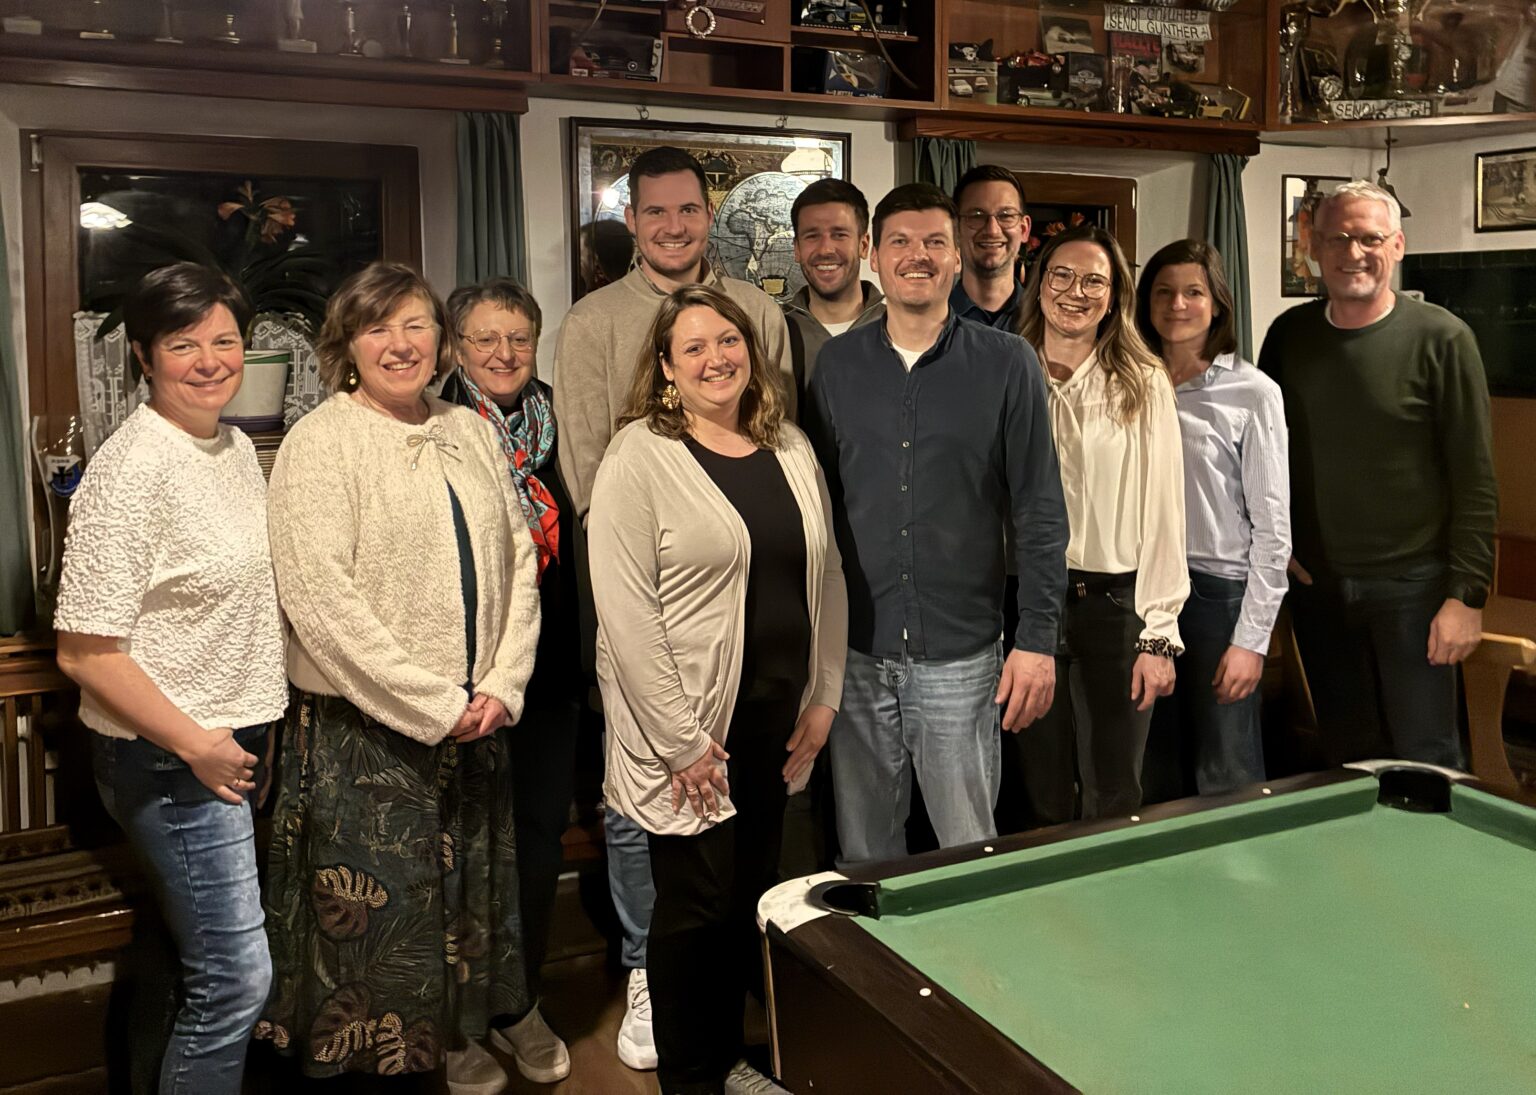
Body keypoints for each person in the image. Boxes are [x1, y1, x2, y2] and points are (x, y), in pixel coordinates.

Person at [256, 262, 541, 1090]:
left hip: (476, 722)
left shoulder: (469, 430)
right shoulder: (319, 441)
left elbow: (519, 558)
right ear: (346, 344)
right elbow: (320, 602)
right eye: (378, 327)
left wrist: (504, 682)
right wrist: (435, 703)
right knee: (381, 932)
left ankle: (456, 1040)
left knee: (462, 910)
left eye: (416, 324)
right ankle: (387, 1069)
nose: (400, 343)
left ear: (440, 341)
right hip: (366, 738)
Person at [552, 144, 792, 1072]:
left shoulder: (756, 313)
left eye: (688, 209)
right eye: (654, 212)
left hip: (749, 599)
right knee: (644, 785)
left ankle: (725, 988)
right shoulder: (592, 322)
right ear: (632, 220)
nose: (673, 226)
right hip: (643, 591)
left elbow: (774, 438)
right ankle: (648, 966)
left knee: (743, 795)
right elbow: (584, 469)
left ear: (708, 213)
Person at [588, 284, 846, 1095]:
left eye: (728, 341)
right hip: (694, 730)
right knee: (695, 907)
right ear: (666, 367)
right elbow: (625, 612)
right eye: (693, 347)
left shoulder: (789, 444)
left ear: (751, 352)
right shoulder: (638, 456)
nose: (715, 358)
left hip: (777, 718)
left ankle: (730, 1058)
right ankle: (692, 1078)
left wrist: (825, 694)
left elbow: (827, 572)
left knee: (746, 896)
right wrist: (680, 740)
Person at [53, 262, 288, 1094]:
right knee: (236, 981)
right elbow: (85, 652)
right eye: (184, 344)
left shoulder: (230, 445)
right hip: (173, 757)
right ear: (145, 356)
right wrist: (197, 744)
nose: (210, 360)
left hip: (229, 740)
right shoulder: (131, 469)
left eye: (225, 340)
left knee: (195, 966)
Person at [805, 182, 1067, 866]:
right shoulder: (836, 367)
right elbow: (816, 506)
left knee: (967, 846)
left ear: (956, 257)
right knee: (866, 853)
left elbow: (1040, 508)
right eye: (900, 241)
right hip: (857, 652)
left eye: (933, 242)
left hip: (961, 656)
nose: (916, 255)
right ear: (873, 253)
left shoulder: (1007, 363)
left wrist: (1038, 639)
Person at [1258, 180, 1497, 769]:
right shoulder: (1288, 336)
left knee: (1426, 760)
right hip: (1319, 590)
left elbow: (1474, 479)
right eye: (1338, 238)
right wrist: (1275, 545)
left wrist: (1466, 596)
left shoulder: (1444, 338)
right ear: (1314, 247)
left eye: (1369, 238)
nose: (1353, 252)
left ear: (1397, 245)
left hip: (1415, 591)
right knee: (1348, 759)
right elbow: (1262, 457)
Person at [440, 277, 578, 1084]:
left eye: (518, 338)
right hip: (463, 683)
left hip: (550, 675)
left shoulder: (560, 418)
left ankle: (517, 1003)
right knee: (459, 853)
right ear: (457, 347)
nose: (503, 353)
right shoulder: (435, 423)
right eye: (485, 339)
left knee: (534, 844)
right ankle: (455, 1021)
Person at [1016, 224, 1188, 822]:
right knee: (1038, 793)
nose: (1075, 292)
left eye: (1094, 281)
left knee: (1113, 792)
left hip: (1115, 608)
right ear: (1037, 284)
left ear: (1114, 297)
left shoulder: (1143, 381)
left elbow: (1165, 511)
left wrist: (1159, 632)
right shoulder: (1007, 369)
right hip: (1027, 603)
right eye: (1061, 276)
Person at [1136, 239, 1290, 796]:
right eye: (1164, 292)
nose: (1177, 304)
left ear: (1218, 302)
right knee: (1151, 768)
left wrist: (1251, 640)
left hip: (1217, 595)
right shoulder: (1132, 382)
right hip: (1142, 593)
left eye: (1193, 292)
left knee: (1226, 771)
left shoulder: (1253, 392)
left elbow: (1273, 528)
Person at [782, 177, 884, 404]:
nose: (826, 249)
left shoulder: (896, 327)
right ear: (797, 249)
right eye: (812, 236)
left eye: (839, 234)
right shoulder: (775, 332)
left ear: (863, 245)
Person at [949, 164, 1031, 331]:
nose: (992, 230)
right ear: (955, 229)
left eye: (1005, 216)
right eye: (977, 216)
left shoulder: (1048, 320)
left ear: (1024, 229)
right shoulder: (929, 320)